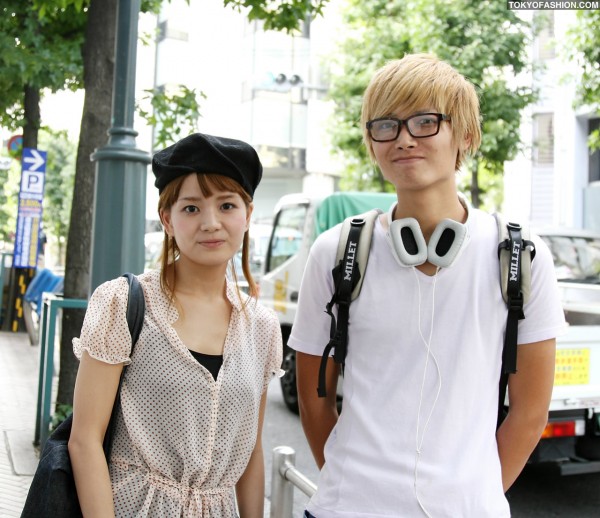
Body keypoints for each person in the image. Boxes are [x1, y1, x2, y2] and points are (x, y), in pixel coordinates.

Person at [289, 54, 566, 517]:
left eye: (424, 121)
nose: (403, 139)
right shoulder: (336, 251)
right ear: (371, 142)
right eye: (386, 125)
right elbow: (315, 396)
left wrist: (471, 495)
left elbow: (530, 411)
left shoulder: (519, 255)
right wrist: (353, 485)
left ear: (466, 135)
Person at [68, 133, 283, 517]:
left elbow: (251, 450)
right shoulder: (124, 304)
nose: (211, 223)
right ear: (167, 219)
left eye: (227, 205)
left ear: (248, 215)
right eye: (191, 209)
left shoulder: (261, 327)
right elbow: (84, 441)